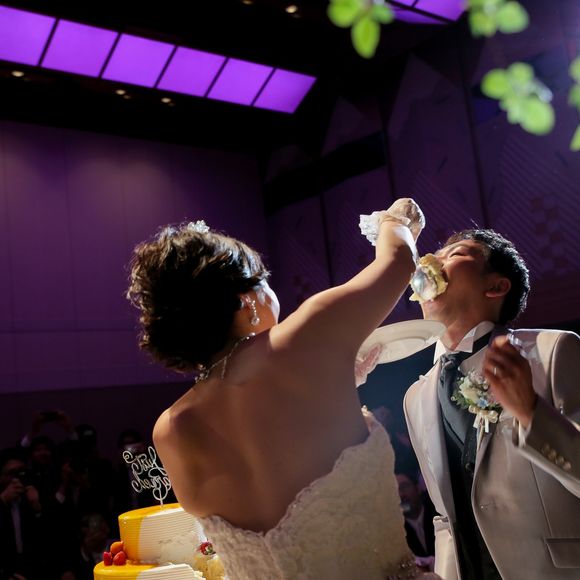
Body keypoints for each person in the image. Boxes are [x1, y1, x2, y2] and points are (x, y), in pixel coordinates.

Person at [126, 202, 439, 579]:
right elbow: (398, 261)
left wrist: (335, 381)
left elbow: (265, 465)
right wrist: (395, 220)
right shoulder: (304, 335)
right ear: (247, 301)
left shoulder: (171, 428)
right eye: (264, 280)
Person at [403, 229, 580, 579]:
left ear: (496, 287)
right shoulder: (415, 396)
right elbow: (445, 518)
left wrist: (531, 413)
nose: (431, 262)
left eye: (454, 254)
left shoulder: (552, 351)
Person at [396, 470, 436, 571]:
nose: (400, 494)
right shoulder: (395, 531)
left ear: (418, 488)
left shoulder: (438, 513)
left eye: (404, 487)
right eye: (395, 490)